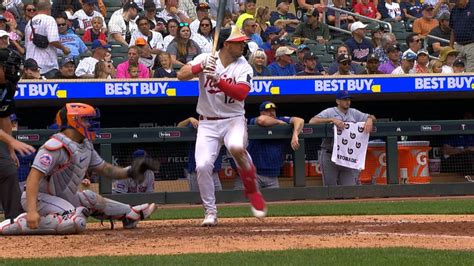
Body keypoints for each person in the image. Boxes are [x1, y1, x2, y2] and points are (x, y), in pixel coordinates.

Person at [0, 103, 157, 235]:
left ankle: (130, 214)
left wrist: (130, 171)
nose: (90, 124)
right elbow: (33, 178)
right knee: (75, 221)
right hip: (39, 198)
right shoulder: (55, 146)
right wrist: (33, 210)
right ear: (73, 121)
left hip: (62, 197)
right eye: (86, 120)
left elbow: (104, 169)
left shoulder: (85, 145)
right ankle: (18, 223)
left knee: (90, 197)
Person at [177, 26, 267, 226]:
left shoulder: (244, 65)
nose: (243, 45)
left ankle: (252, 188)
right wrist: (199, 67)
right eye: (239, 42)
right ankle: (210, 212)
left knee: (236, 147)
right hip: (207, 123)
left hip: (233, 119)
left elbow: (241, 93)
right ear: (227, 44)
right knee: (202, 166)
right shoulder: (205, 59)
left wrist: (218, 80)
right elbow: (180, 75)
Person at [308, 90, 375, 186]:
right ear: (338, 101)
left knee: (348, 190)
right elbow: (312, 121)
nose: (348, 102)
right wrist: (332, 119)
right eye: (344, 99)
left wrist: (369, 119)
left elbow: (372, 116)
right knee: (330, 190)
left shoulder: (354, 112)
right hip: (329, 154)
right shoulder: (329, 111)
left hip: (348, 156)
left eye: (349, 99)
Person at [0, 49, 36, 222]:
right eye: (9, 67)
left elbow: (4, 117)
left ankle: (13, 220)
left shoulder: (7, 86)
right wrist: (12, 142)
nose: (13, 71)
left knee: (7, 168)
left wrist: (10, 151)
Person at [246, 101, 304, 189]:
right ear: (261, 112)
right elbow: (262, 120)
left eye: (273, 110)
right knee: (245, 201)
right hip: (254, 174)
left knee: (275, 201)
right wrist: (279, 122)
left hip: (273, 176)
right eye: (268, 110)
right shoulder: (255, 120)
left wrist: (295, 134)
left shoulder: (280, 119)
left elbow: (300, 120)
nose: (272, 112)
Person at [25, 0, 70, 79]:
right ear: (49, 8)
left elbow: (26, 45)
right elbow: (53, 40)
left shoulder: (29, 23)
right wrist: (64, 49)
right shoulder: (49, 19)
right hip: (47, 66)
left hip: (31, 66)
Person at [177, 117, 223, 192]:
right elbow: (178, 128)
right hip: (196, 173)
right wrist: (189, 119)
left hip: (213, 173)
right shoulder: (197, 125)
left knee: (220, 199)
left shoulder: (219, 126)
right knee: (196, 200)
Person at [450, 0, 474, 72]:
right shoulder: (455, 9)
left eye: (458, 1)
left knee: (470, 71)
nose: (457, 3)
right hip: (458, 45)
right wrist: (451, 46)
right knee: (455, 70)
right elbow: (453, 28)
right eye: (455, 1)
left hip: (471, 44)